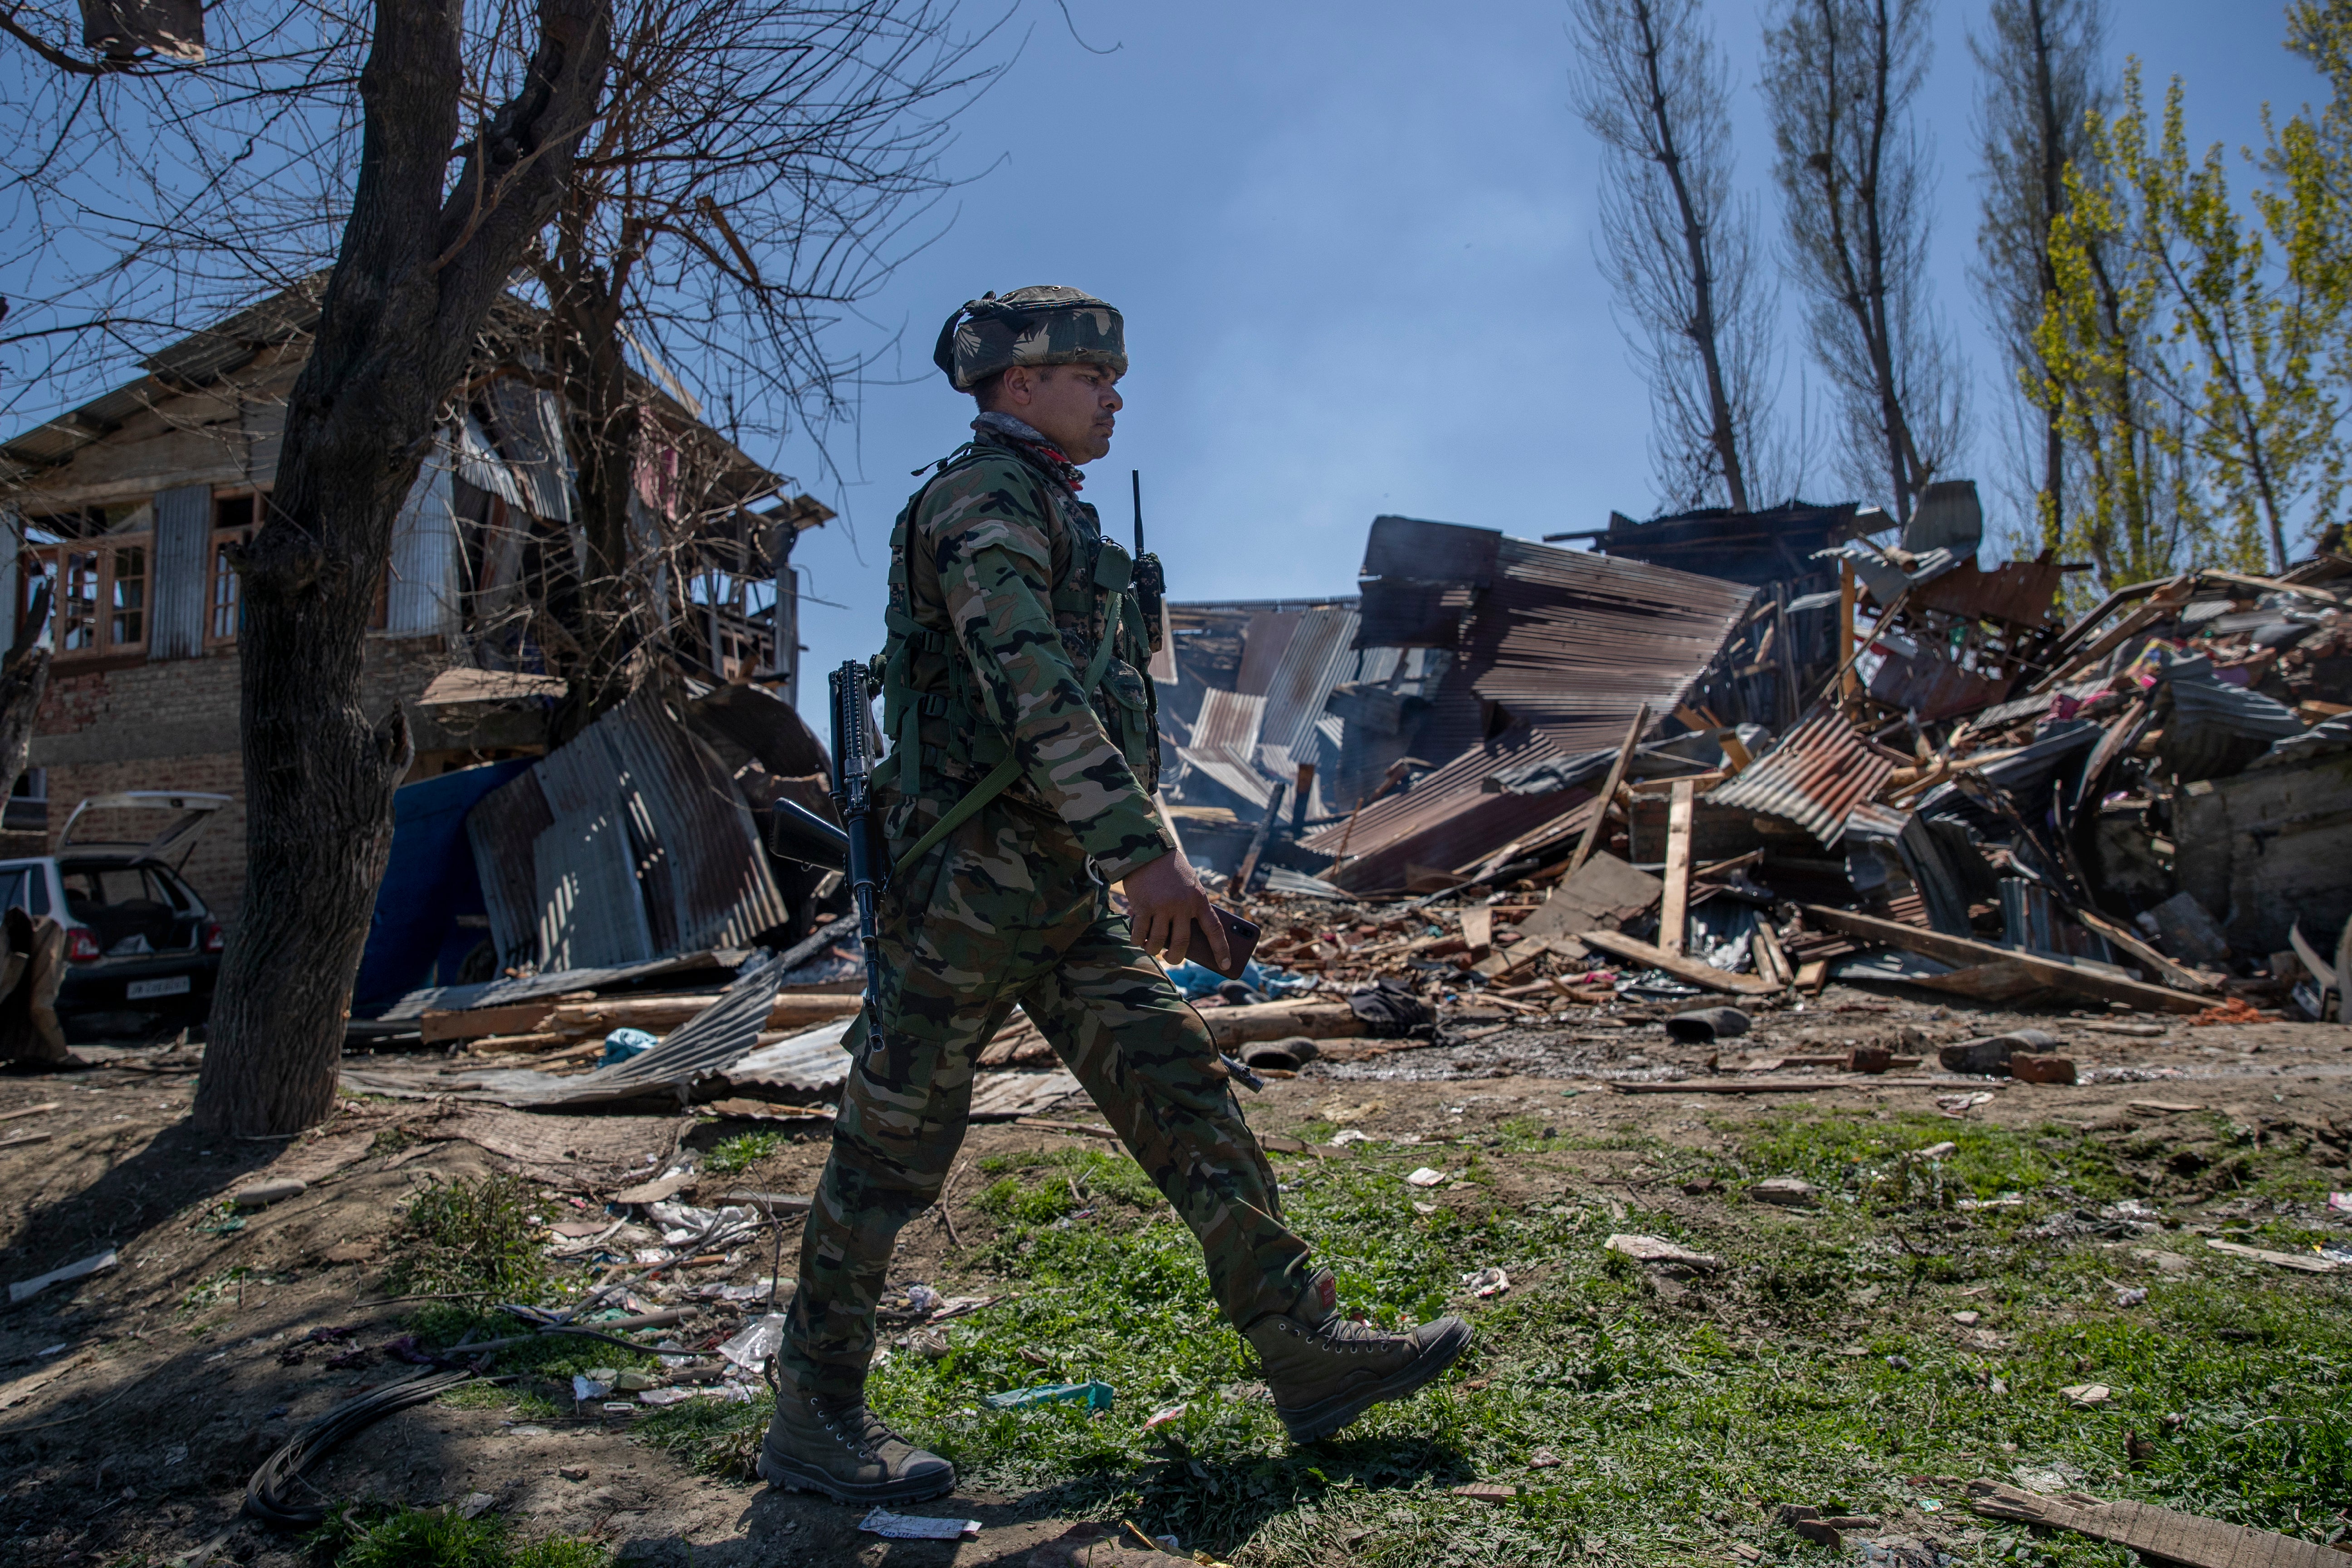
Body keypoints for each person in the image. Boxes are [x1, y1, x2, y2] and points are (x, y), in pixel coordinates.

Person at [759, 286, 1470, 1505]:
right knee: (890, 1147)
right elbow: (1031, 683)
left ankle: (1299, 1348)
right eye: (1094, 376)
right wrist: (1145, 851)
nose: (1117, 396)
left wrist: (1118, 853)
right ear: (1022, 385)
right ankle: (815, 1418)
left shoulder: (1056, 512)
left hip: (1053, 885)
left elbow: (1092, 697)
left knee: (1183, 1084)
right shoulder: (979, 501)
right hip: (964, 891)